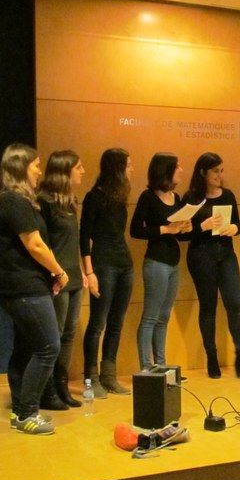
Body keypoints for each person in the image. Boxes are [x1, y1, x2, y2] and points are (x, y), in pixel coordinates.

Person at [0, 143, 67, 435]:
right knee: (49, 347)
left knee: (25, 348)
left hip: (24, 285)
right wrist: (59, 272)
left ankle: (19, 411)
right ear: (21, 167)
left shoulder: (17, 201)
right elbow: (35, 245)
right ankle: (27, 414)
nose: (39, 171)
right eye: (35, 165)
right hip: (23, 287)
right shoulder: (14, 201)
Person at [184, 152, 240, 379]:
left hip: (225, 253)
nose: (219, 175)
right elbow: (181, 234)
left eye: (221, 171)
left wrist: (235, 228)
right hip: (201, 254)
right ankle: (211, 357)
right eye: (215, 171)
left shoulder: (228, 195)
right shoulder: (192, 198)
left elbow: (238, 224)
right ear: (203, 172)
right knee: (208, 306)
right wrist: (202, 226)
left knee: (235, 303)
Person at [130, 152, 191, 372]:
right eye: (177, 167)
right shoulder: (147, 197)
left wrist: (186, 229)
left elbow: (180, 236)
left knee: (164, 317)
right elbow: (136, 230)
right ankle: (146, 368)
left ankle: (162, 366)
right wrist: (166, 229)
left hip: (174, 262)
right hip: (156, 262)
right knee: (150, 316)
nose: (181, 171)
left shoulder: (176, 197)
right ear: (165, 170)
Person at [81, 148, 134, 397]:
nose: (131, 169)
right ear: (118, 169)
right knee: (97, 322)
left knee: (116, 322)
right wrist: (89, 272)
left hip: (124, 262)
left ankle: (109, 375)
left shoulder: (120, 197)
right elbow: (84, 237)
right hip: (103, 263)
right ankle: (90, 377)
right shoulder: (94, 197)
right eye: (128, 165)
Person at [38, 150, 87, 408]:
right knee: (53, 336)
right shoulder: (44, 201)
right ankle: (47, 391)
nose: (82, 171)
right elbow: (42, 244)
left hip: (74, 276)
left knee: (69, 334)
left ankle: (62, 385)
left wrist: (83, 272)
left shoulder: (71, 201)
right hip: (57, 277)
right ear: (64, 171)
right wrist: (55, 274)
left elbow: (73, 241)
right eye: (78, 167)